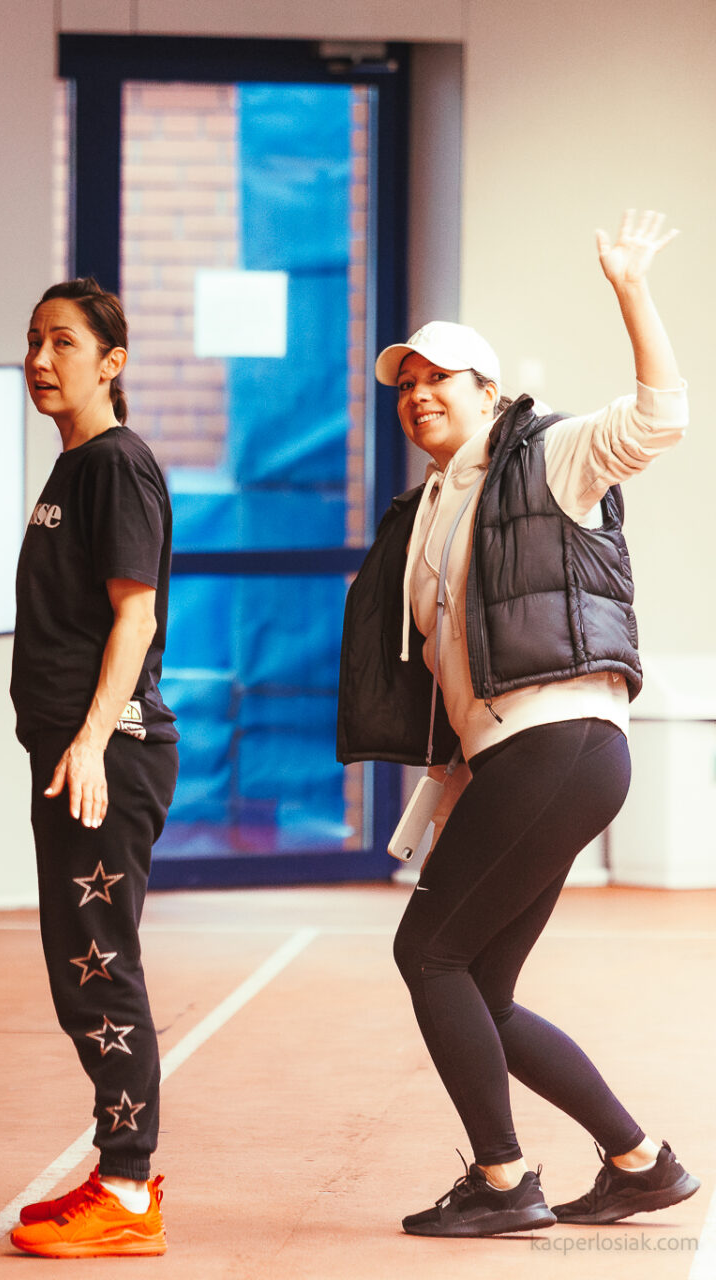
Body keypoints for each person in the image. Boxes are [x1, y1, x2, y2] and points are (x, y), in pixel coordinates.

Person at [338, 210, 699, 1237]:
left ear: (487, 391)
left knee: (428, 954)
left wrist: (630, 287)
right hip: (524, 758)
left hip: (563, 739)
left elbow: (660, 418)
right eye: (405, 384)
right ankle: (640, 1161)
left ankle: (504, 1182)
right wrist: (436, 804)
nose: (418, 395)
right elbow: (458, 683)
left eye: (439, 379)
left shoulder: (546, 455)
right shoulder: (427, 513)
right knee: (482, 985)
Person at [5, 279, 177, 1259]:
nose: (40, 358)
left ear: (111, 361)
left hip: (104, 755)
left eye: (62, 342)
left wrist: (89, 739)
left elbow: (134, 615)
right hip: (80, 752)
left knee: (100, 967)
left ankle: (127, 1188)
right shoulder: (77, 465)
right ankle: (120, 1169)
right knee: (85, 966)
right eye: (34, 339)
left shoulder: (114, 464)